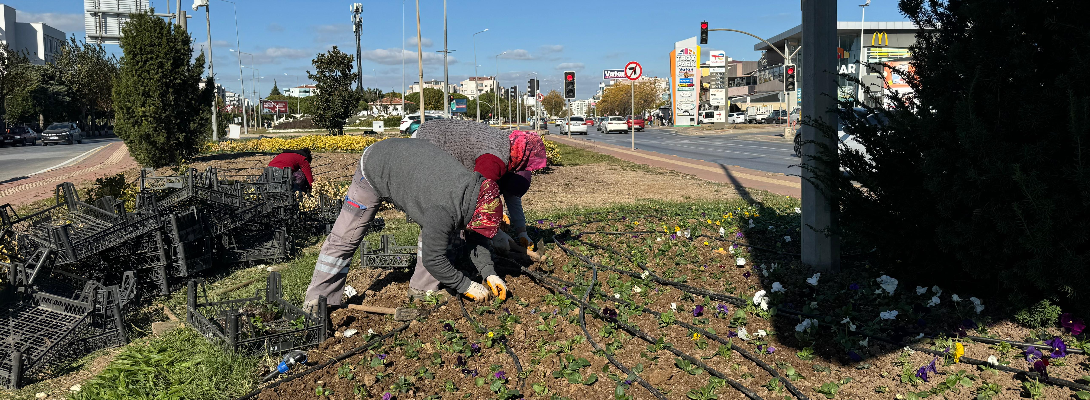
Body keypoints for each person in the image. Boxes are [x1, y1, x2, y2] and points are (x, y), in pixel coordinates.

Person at [301, 139, 508, 313]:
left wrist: (489, 272)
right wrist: (466, 285)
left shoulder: (476, 194)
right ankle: (318, 302)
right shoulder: (444, 208)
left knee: (444, 235)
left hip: (411, 168)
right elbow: (433, 257)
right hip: (376, 165)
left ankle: (422, 291)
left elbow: (476, 235)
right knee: (345, 237)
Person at [409, 120, 546, 300]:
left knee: (456, 220)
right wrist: (495, 229)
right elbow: (478, 202)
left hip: (435, 143)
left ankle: (448, 264)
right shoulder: (493, 161)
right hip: (429, 145)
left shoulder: (507, 153)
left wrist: (519, 232)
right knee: (441, 219)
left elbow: (502, 201)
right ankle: (423, 288)